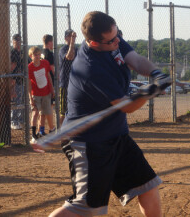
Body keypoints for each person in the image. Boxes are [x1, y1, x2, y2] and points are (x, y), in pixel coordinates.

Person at [49, 11, 171, 217]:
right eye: (112, 40)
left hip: (117, 136)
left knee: (147, 186)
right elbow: (126, 106)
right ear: (95, 43)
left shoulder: (112, 40)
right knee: (86, 209)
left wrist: (156, 74)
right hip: (88, 143)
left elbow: (136, 61)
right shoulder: (90, 68)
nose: (117, 41)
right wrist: (148, 92)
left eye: (117, 36)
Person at [28, 46, 55, 142]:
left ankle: (41, 132)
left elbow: (48, 76)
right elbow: (29, 84)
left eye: (39, 54)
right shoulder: (29, 67)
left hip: (46, 92)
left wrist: (52, 90)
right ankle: (33, 135)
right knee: (35, 113)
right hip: (36, 94)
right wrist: (30, 98)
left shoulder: (45, 63)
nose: (38, 56)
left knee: (44, 113)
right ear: (31, 56)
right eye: (35, 55)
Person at [58, 29, 78, 125]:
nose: (73, 38)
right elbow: (69, 56)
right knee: (63, 111)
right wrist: (72, 43)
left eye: (73, 36)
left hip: (75, 83)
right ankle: (60, 132)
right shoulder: (63, 49)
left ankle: (71, 131)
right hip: (65, 83)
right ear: (66, 38)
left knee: (74, 109)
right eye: (70, 36)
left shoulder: (77, 49)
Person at [40, 34, 55, 132]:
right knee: (49, 106)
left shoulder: (40, 53)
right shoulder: (49, 54)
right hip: (49, 82)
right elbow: (52, 69)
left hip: (41, 81)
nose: (53, 44)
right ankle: (51, 128)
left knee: (44, 108)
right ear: (49, 42)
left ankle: (41, 129)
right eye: (52, 41)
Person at [10, 34, 25, 130]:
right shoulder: (13, 53)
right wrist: (12, 82)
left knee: (21, 101)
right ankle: (13, 121)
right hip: (15, 80)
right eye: (16, 40)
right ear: (13, 42)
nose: (18, 42)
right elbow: (11, 68)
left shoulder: (22, 52)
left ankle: (20, 121)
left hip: (21, 79)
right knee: (16, 101)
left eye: (19, 40)